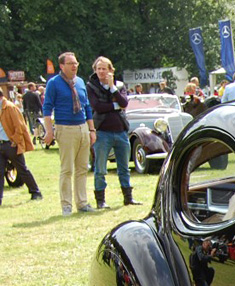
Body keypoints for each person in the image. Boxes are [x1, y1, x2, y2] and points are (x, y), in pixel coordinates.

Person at [42, 51, 97, 215]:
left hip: (82, 128)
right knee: (67, 169)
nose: (74, 66)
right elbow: (47, 108)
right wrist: (49, 130)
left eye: (76, 63)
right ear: (62, 66)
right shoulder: (54, 83)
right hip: (65, 128)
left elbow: (87, 107)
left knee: (82, 168)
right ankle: (66, 205)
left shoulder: (80, 82)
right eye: (71, 63)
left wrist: (91, 129)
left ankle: (82, 203)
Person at [86, 56, 140, 208]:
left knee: (124, 168)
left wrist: (112, 88)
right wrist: (115, 106)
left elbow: (124, 103)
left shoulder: (119, 85)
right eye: (99, 69)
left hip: (121, 130)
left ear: (111, 70)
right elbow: (97, 106)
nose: (101, 72)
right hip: (102, 132)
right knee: (101, 169)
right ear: (95, 70)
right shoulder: (91, 86)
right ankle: (101, 201)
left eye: (104, 69)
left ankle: (128, 198)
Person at [0, 85, 44, 207]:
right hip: (1, 145)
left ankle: (35, 192)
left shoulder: (10, 107)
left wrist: (15, 140)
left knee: (22, 169)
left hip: (10, 144)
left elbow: (20, 126)